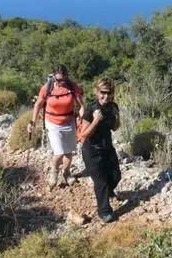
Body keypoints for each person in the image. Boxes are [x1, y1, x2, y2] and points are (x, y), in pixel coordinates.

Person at [27, 64, 85, 189]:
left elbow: (81, 104)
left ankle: (66, 173)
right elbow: (38, 105)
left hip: (69, 122)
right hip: (52, 123)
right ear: (54, 77)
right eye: (58, 80)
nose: (61, 82)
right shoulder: (47, 88)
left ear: (66, 77)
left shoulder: (72, 86)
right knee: (59, 152)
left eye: (63, 79)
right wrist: (32, 122)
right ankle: (54, 172)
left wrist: (82, 116)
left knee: (69, 151)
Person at [80, 77, 122, 223]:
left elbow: (115, 127)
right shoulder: (91, 109)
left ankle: (108, 192)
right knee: (101, 182)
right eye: (103, 92)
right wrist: (96, 120)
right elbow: (83, 135)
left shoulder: (113, 106)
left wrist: (117, 117)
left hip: (107, 148)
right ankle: (104, 212)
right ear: (97, 92)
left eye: (109, 93)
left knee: (116, 176)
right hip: (92, 151)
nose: (106, 96)